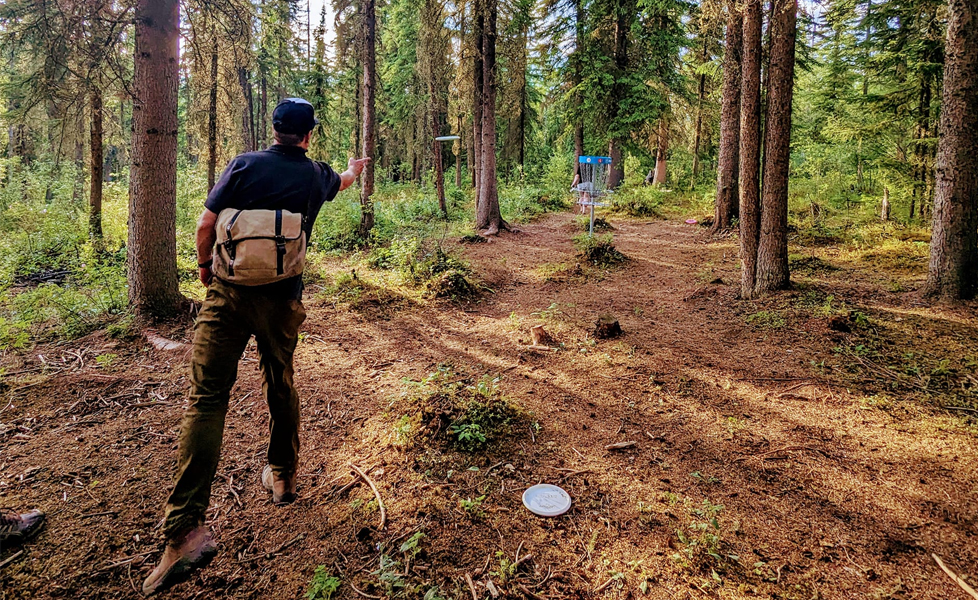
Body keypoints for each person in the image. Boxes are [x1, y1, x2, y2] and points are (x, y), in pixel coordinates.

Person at [142, 98, 371, 596]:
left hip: (227, 298)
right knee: (280, 380)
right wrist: (352, 169)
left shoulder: (244, 164)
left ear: (275, 130)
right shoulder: (315, 176)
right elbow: (344, 183)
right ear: (308, 134)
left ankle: (183, 531)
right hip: (282, 301)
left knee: (207, 398)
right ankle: (283, 475)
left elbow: (206, 226)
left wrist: (206, 271)